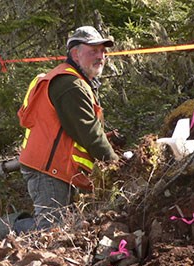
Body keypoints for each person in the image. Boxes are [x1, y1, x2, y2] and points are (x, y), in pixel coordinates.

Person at [14, 26, 120, 234]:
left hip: (53, 167)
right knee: (50, 231)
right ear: (75, 54)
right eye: (93, 51)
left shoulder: (72, 80)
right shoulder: (70, 85)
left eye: (102, 51)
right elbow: (89, 133)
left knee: (64, 226)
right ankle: (2, 228)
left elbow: (73, 129)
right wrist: (115, 164)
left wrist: (107, 142)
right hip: (48, 170)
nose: (100, 56)